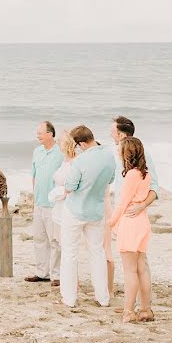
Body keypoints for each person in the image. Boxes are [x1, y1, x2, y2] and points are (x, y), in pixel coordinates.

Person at [60, 125, 116, 308]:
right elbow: (111, 180)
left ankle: (69, 298)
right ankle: (103, 298)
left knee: (69, 254)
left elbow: (70, 186)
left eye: (77, 145)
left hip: (75, 211)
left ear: (82, 143)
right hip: (97, 211)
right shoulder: (109, 156)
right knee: (97, 253)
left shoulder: (80, 162)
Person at [108, 116, 160, 298]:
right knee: (135, 265)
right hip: (123, 215)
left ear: (121, 134)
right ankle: (141, 306)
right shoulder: (117, 155)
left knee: (138, 265)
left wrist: (142, 205)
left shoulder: (141, 157)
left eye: (112, 131)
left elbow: (154, 188)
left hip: (132, 216)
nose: (110, 134)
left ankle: (139, 306)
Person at [108, 137, 154, 323]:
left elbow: (122, 202)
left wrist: (111, 222)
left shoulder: (131, 175)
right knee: (141, 268)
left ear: (127, 153)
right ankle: (145, 309)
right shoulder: (145, 174)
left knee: (129, 270)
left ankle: (128, 311)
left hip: (130, 222)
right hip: (142, 221)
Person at [24, 121, 64, 286]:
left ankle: (57, 275)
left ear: (50, 134)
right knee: (39, 239)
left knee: (55, 241)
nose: (37, 135)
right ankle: (42, 273)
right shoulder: (37, 152)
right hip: (39, 202)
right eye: (37, 132)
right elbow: (35, 175)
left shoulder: (60, 152)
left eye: (40, 132)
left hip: (54, 204)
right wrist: (34, 197)